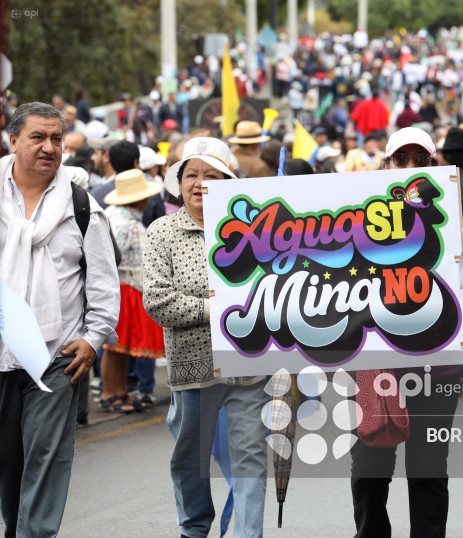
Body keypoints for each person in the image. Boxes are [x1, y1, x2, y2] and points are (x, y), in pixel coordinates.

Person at [351, 127, 463, 538]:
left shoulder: (462, 215)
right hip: (375, 366)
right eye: (402, 160)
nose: (411, 169)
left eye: (421, 160)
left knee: (428, 468)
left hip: (439, 369)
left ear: (435, 166)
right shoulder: (355, 214)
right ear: (385, 166)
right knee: (369, 471)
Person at [0, 102, 119, 536]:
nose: (49, 147)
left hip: (55, 354)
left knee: (46, 460)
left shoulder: (80, 204)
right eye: (37, 137)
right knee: (9, 464)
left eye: (55, 139)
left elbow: (104, 284)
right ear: (13, 141)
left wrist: (92, 339)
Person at [142, 137, 269, 538]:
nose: (200, 183)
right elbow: (159, 301)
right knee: (189, 460)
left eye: (211, 176)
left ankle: (249, 533)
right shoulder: (162, 231)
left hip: (250, 364)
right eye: (191, 174)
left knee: (251, 457)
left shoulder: (254, 228)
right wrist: (218, 308)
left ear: (228, 182)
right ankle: (194, 529)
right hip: (192, 368)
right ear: (178, 182)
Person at [99, 169, 166, 411]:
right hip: (123, 288)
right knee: (115, 347)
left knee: (122, 347)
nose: (148, 200)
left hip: (126, 287)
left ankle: (118, 392)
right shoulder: (124, 222)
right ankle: (109, 394)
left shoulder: (118, 217)